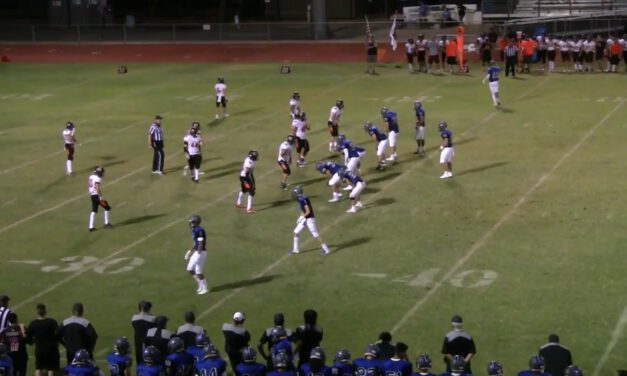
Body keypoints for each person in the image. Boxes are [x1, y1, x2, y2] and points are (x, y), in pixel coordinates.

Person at [288, 186, 331, 255]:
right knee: (296, 232)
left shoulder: (302, 200)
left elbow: (308, 211)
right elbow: (303, 211)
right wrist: (300, 217)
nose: (293, 196)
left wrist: (302, 217)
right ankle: (295, 249)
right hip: (305, 219)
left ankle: (326, 249)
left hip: (309, 219)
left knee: (315, 234)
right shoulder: (301, 198)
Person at [26, 303, 60, 376]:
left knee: (38, 368)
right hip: (51, 349)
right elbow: (57, 335)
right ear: (45, 311)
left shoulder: (33, 324)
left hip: (39, 349)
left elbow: (28, 339)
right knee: (51, 369)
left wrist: (33, 341)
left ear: (37, 312)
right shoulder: (52, 322)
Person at [185, 215, 209, 295]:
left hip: (201, 252)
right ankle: (200, 284)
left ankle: (205, 288)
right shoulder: (194, 229)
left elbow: (201, 242)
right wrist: (190, 251)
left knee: (198, 271)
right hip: (197, 251)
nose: (191, 223)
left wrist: (198, 253)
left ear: (196, 222)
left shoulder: (200, 230)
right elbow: (196, 243)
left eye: (192, 222)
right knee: (189, 269)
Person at [87, 166, 112, 232]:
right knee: (107, 208)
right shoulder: (97, 179)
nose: (102, 174)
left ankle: (91, 227)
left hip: (92, 196)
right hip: (96, 196)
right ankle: (106, 223)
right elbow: (97, 188)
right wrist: (100, 197)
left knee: (94, 211)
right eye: (101, 172)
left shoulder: (91, 176)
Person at [131, 301, 156, 366]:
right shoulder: (153, 319)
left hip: (138, 343)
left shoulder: (134, 318)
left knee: (139, 362)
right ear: (149, 309)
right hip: (148, 343)